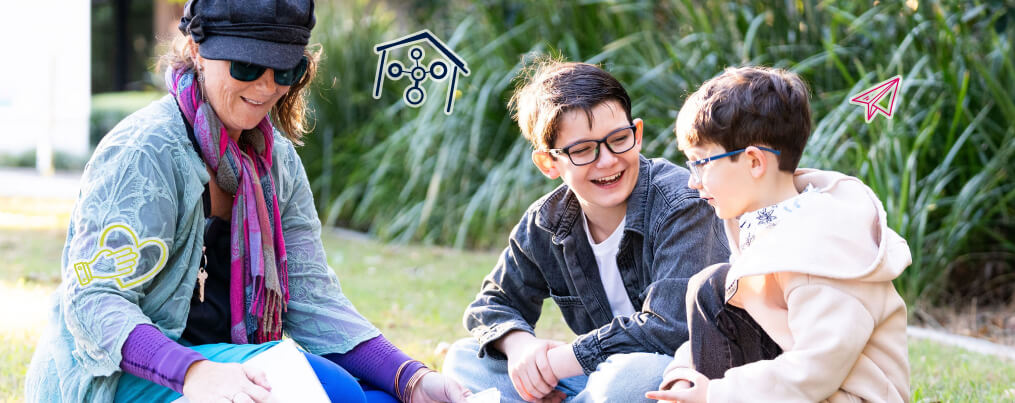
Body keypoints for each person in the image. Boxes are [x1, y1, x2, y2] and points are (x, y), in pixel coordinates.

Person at [24, 1, 470, 402]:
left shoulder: (277, 163)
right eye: (247, 65)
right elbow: (94, 300)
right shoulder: (145, 152)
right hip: (118, 378)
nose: (267, 86)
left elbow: (314, 300)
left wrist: (412, 379)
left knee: (381, 398)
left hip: (221, 368)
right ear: (197, 50)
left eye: (285, 70)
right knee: (331, 389)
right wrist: (194, 372)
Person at [442, 59, 729, 403]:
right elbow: (492, 304)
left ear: (637, 134)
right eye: (582, 150)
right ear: (548, 162)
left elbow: (672, 329)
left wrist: (558, 362)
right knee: (464, 358)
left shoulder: (681, 203)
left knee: (632, 380)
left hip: (680, 374)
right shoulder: (546, 223)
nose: (607, 160)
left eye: (619, 139)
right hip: (599, 377)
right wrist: (521, 348)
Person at [646, 66, 911, 403]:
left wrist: (716, 393)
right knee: (712, 288)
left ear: (754, 162)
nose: (692, 181)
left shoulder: (821, 248)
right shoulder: (764, 227)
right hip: (806, 387)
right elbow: (722, 322)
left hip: (845, 394)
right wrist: (683, 377)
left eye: (701, 163)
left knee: (710, 286)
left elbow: (815, 370)